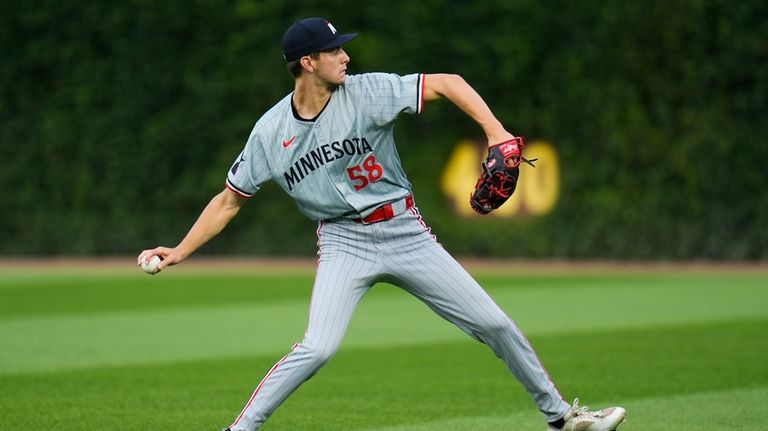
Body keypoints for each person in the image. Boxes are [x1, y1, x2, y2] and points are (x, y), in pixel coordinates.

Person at [137, 17, 626, 431]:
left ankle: (562, 418)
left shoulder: (366, 91)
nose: (345, 57)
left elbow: (447, 82)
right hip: (343, 242)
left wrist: (495, 131)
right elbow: (229, 200)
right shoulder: (270, 133)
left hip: (404, 231)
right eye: (334, 50)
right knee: (318, 347)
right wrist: (179, 251)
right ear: (308, 62)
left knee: (494, 323)